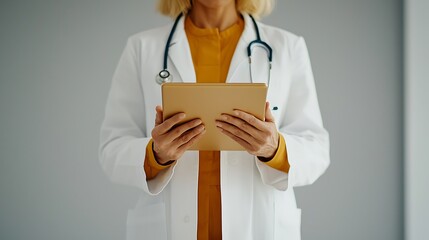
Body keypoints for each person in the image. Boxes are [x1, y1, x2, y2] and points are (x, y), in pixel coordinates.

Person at [98, 0, 330, 239]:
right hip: (171, 227)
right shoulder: (142, 48)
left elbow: (317, 149)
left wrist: (275, 149)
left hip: (258, 226)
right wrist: (156, 155)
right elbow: (112, 148)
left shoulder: (288, 47)